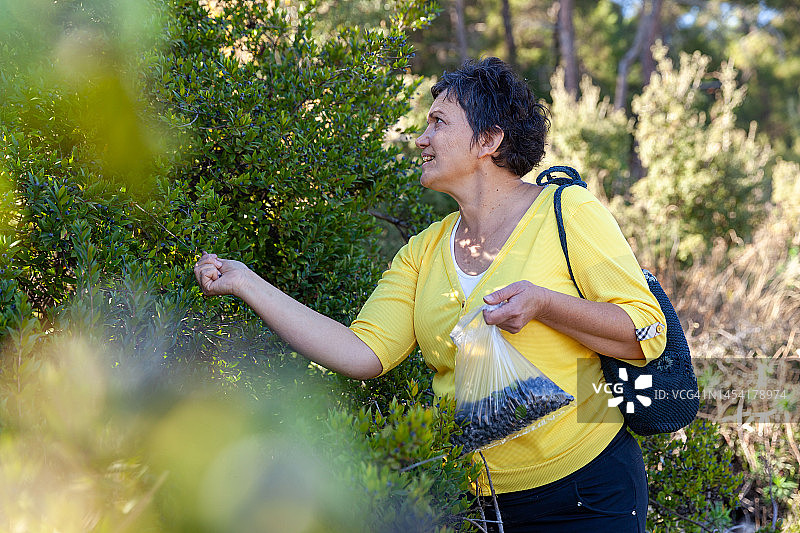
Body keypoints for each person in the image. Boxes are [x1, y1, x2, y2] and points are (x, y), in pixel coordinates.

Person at [194, 57, 666, 532]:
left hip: (586, 493)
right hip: (477, 502)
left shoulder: (568, 211)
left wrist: (545, 304)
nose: (421, 139)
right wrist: (246, 282)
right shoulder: (424, 250)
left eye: (438, 122)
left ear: (489, 140)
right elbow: (363, 353)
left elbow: (646, 333)